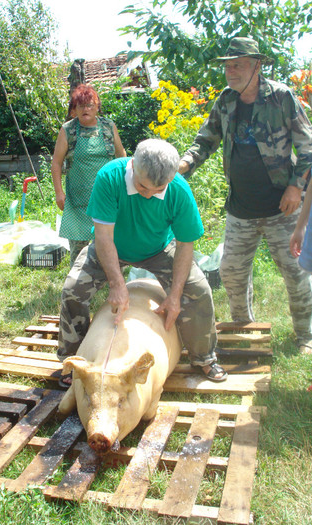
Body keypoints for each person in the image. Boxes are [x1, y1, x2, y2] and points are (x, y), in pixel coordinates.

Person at [178, 36, 312, 354]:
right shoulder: (226, 101)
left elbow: (308, 146)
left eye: (237, 65)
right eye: (228, 66)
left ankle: (305, 335)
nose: (230, 71)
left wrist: (297, 186)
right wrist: (181, 165)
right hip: (241, 208)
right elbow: (204, 141)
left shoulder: (281, 97)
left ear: (256, 66)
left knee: (295, 273)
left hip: (282, 207)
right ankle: (243, 326)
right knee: (232, 272)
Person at [57, 138, 227, 388]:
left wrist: (175, 296)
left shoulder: (179, 190)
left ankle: (203, 357)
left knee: (199, 291)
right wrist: (116, 284)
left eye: (157, 191)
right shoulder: (110, 177)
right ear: (133, 166)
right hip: (112, 246)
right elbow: (103, 237)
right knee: (73, 289)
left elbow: (184, 245)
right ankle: (73, 361)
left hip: (159, 248)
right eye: (142, 187)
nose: (148, 195)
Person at [51, 84, 126, 266]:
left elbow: (121, 156)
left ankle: (110, 278)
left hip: (107, 196)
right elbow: (56, 163)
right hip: (78, 199)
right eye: (81, 106)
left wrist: (124, 187)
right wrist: (59, 193)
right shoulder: (68, 130)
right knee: (79, 247)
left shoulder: (108, 127)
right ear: (74, 109)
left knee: (108, 241)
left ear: (97, 107)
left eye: (90, 105)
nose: (86, 110)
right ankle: (77, 283)